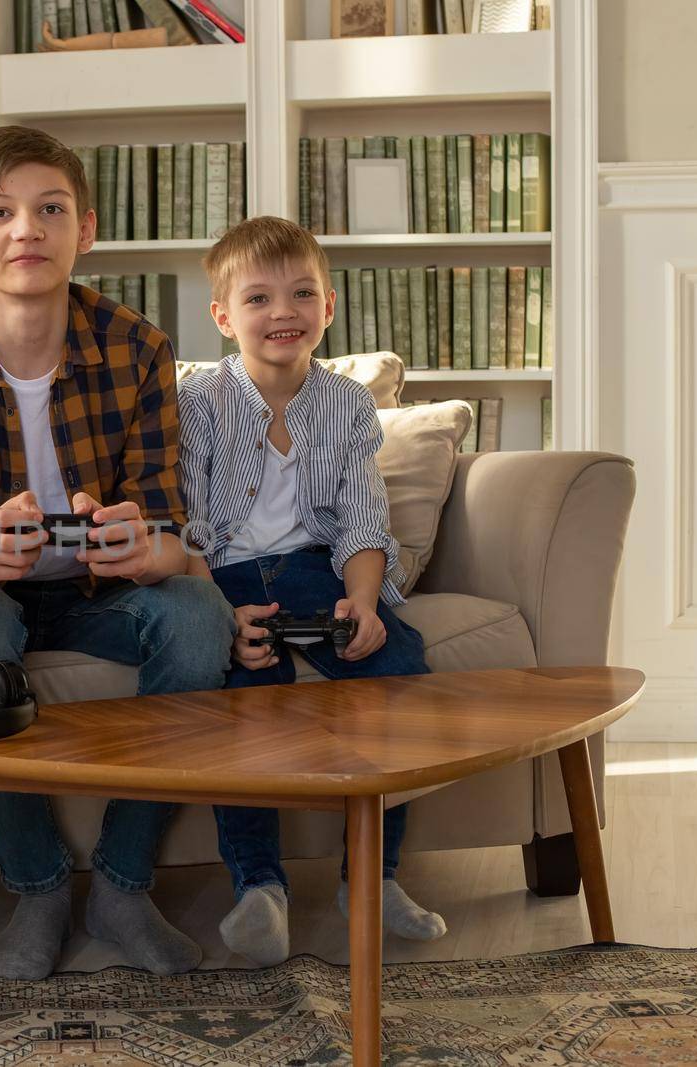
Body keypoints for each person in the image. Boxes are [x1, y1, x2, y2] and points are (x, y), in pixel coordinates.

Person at [0, 126, 234, 980]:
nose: (26, 229)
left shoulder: (138, 348)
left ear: (87, 230)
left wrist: (143, 547)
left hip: (91, 590)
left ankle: (121, 885)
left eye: (50, 209)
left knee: (197, 615)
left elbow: (171, 533)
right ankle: (37, 888)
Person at [178, 214, 447, 967]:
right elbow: (184, 528)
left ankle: (373, 876)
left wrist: (363, 600)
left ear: (328, 306)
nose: (283, 312)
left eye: (302, 293)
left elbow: (364, 520)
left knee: (399, 674)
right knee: (239, 697)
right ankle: (258, 888)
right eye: (259, 298)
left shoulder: (349, 403)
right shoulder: (197, 403)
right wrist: (223, 615)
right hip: (226, 576)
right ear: (225, 316)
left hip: (316, 570)